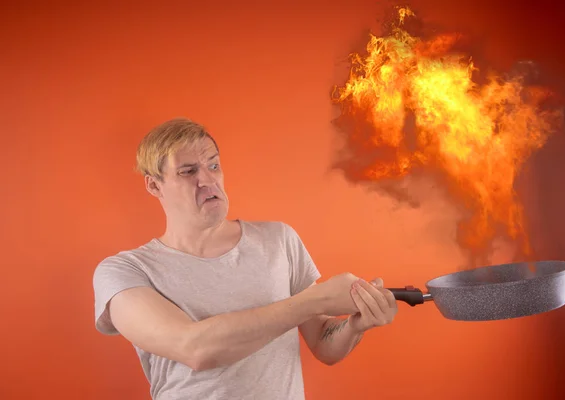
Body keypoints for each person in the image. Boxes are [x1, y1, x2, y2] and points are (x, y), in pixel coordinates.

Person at [92, 117, 398, 400]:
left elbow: (323, 345)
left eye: (213, 166)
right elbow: (195, 348)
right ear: (154, 185)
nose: (207, 180)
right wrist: (316, 300)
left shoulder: (279, 239)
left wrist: (357, 325)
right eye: (188, 172)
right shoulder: (125, 271)